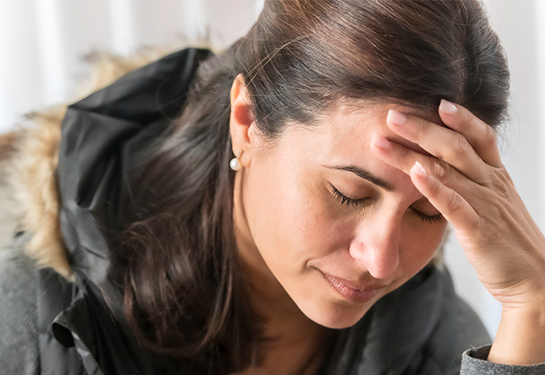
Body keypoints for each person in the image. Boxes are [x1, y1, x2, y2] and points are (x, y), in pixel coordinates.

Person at [1, 0, 545, 374]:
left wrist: (531, 308)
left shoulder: (436, 338)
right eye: (348, 194)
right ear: (247, 121)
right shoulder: (29, 307)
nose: (381, 261)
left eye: (428, 213)